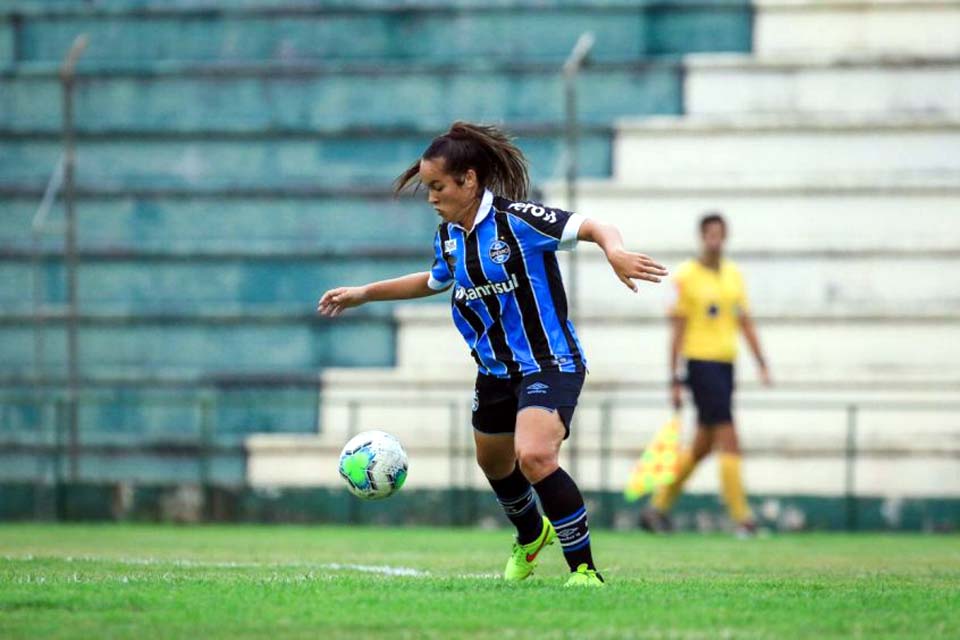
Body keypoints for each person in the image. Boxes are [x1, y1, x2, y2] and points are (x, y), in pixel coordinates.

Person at [318, 122, 667, 586]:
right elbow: (433, 280)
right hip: (494, 371)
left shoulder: (517, 221)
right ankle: (531, 535)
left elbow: (593, 226)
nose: (431, 197)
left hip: (549, 362)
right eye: (428, 188)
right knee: (494, 463)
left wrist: (615, 252)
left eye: (438, 186)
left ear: (469, 180)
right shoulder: (449, 236)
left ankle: (584, 571)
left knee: (534, 456)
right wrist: (364, 293)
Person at [641, 213, 771, 537]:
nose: (715, 240)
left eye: (720, 234)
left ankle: (657, 508)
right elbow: (677, 331)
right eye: (710, 234)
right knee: (729, 437)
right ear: (702, 236)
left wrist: (761, 361)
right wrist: (674, 378)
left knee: (702, 446)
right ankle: (743, 520)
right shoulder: (686, 276)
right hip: (701, 365)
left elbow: (744, 321)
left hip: (726, 367)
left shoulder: (733, 275)